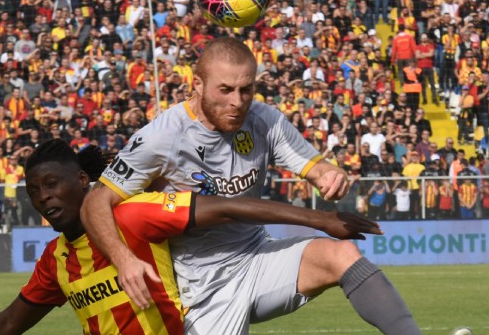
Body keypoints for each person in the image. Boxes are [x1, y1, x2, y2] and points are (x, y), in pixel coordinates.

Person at [81, 38, 421, 334]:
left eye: (246, 89)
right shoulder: (163, 137)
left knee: (342, 254)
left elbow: (317, 168)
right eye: (225, 90)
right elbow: (95, 202)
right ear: (197, 84)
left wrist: (333, 175)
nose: (237, 101)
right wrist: (124, 261)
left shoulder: (263, 120)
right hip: (202, 286)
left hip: (258, 256)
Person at [0, 140, 382, 335]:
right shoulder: (54, 260)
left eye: (50, 184)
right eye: (33, 192)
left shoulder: (131, 216)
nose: (43, 197)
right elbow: (10, 321)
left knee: (336, 257)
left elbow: (225, 206)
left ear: (83, 181)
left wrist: (319, 219)